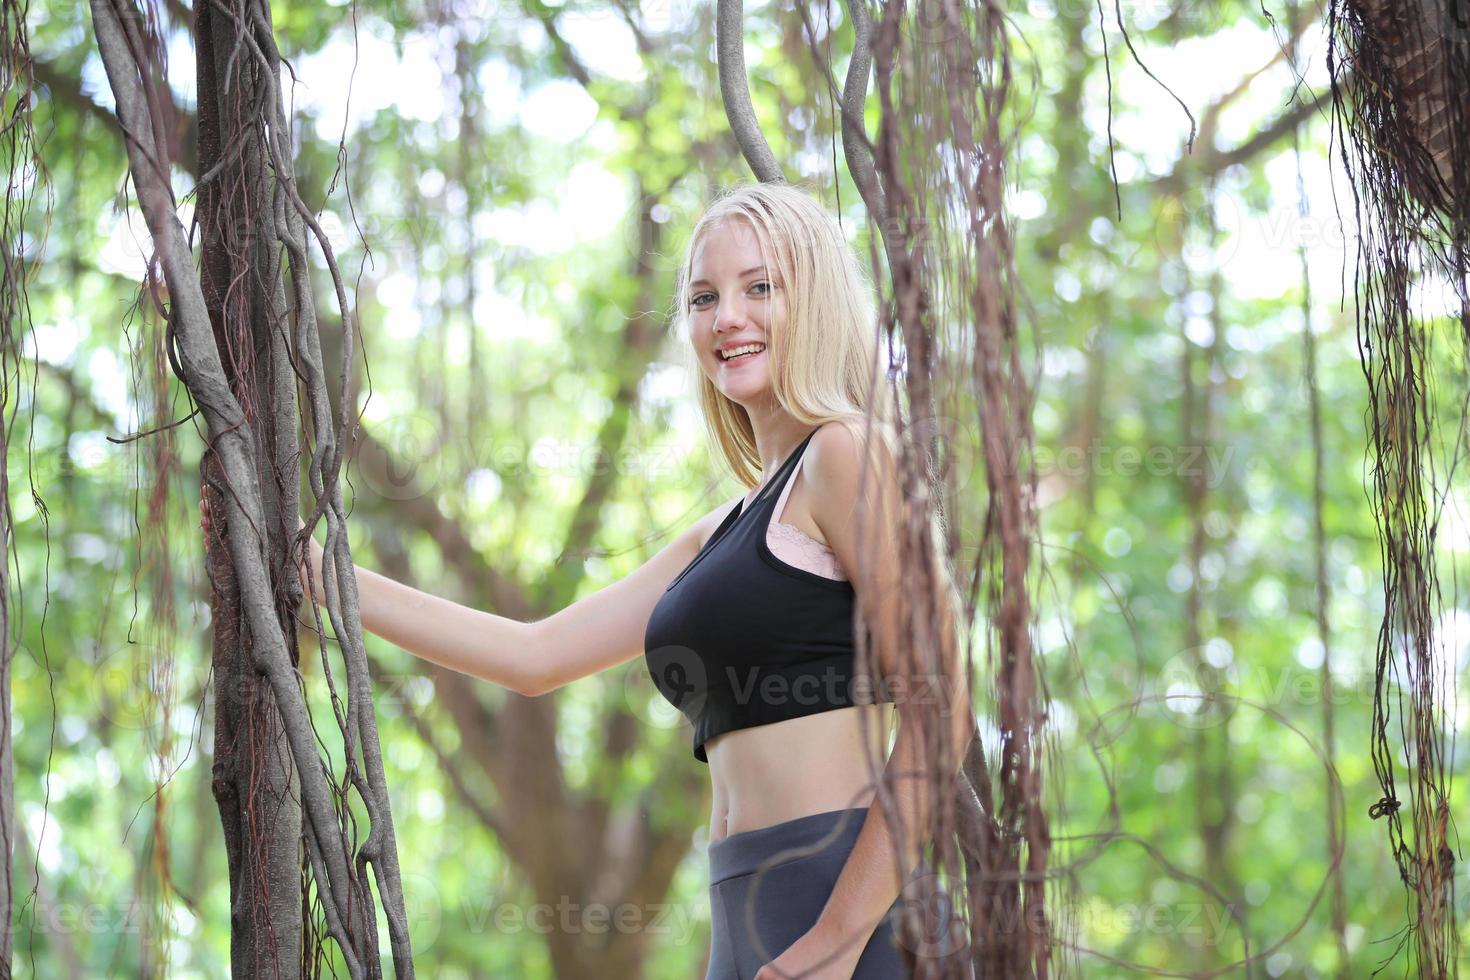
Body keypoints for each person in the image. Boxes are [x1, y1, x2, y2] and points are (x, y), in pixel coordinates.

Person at [201, 181, 972, 979]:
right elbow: (533, 657)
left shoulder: (847, 453)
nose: (727, 317)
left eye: (759, 287)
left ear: (813, 300)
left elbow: (943, 704)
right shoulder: (725, 530)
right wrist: (317, 573)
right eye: (704, 297)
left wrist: (832, 945)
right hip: (744, 922)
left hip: (845, 912)